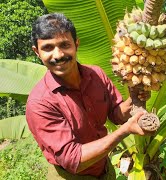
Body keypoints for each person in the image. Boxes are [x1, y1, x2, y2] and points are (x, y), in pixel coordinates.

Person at [26, 13, 150, 179]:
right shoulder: (40, 103)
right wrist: (125, 130)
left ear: (76, 44)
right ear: (37, 52)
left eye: (64, 45)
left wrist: (133, 99)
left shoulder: (96, 74)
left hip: (104, 169)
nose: (58, 55)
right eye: (48, 48)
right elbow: (73, 160)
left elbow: (116, 115)